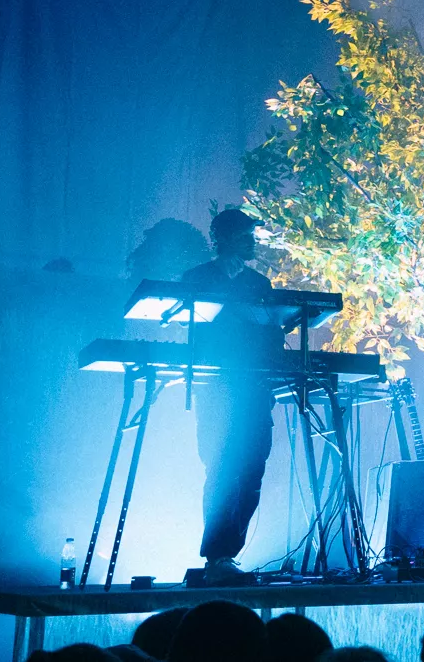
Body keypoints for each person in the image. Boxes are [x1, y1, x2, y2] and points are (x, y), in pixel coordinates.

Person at [181, 208, 282, 586]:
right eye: (245, 235)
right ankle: (218, 557)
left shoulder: (260, 283)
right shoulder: (198, 278)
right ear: (223, 238)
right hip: (218, 386)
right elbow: (193, 327)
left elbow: (274, 332)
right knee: (222, 466)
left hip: (254, 388)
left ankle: (225, 556)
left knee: (252, 467)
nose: (252, 241)